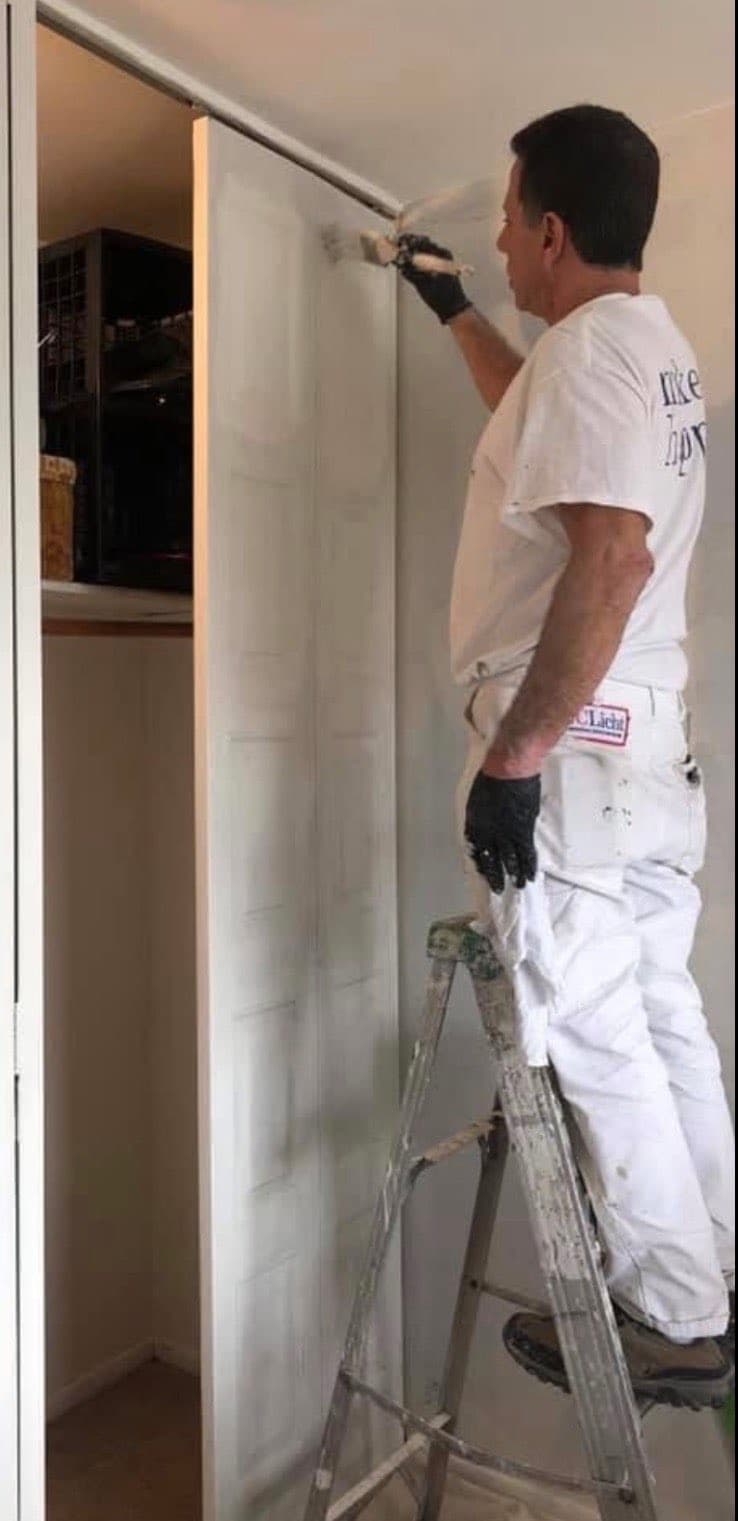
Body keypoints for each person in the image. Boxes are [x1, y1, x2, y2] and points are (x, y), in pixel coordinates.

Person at [399, 103, 735, 1408]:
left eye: (499, 227)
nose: (493, 243)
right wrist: (446, 310)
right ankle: (709, 1265)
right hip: (644, 756)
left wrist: (514, 761)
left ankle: (673, 1316)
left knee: (595, 1034)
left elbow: (608, 559)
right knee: (661, 1019)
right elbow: (530, 426)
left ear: (548, 229)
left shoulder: (593, 358)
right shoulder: (637, 357)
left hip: (577, 759)